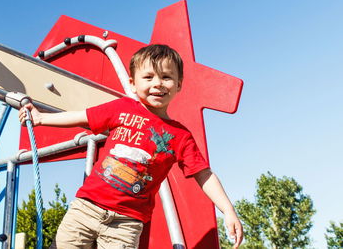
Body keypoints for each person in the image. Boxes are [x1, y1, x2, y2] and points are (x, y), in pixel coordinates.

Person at [19, 44, 243, 249]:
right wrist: (40, 119)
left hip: (126, 224)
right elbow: (82, 117)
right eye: (148, 77)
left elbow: (203, 173)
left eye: (166, 77)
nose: (157, 83)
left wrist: (227, 210)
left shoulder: (180, 136)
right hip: (86, 208)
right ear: (133, 84)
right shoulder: (122, 108)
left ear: (179, 85)